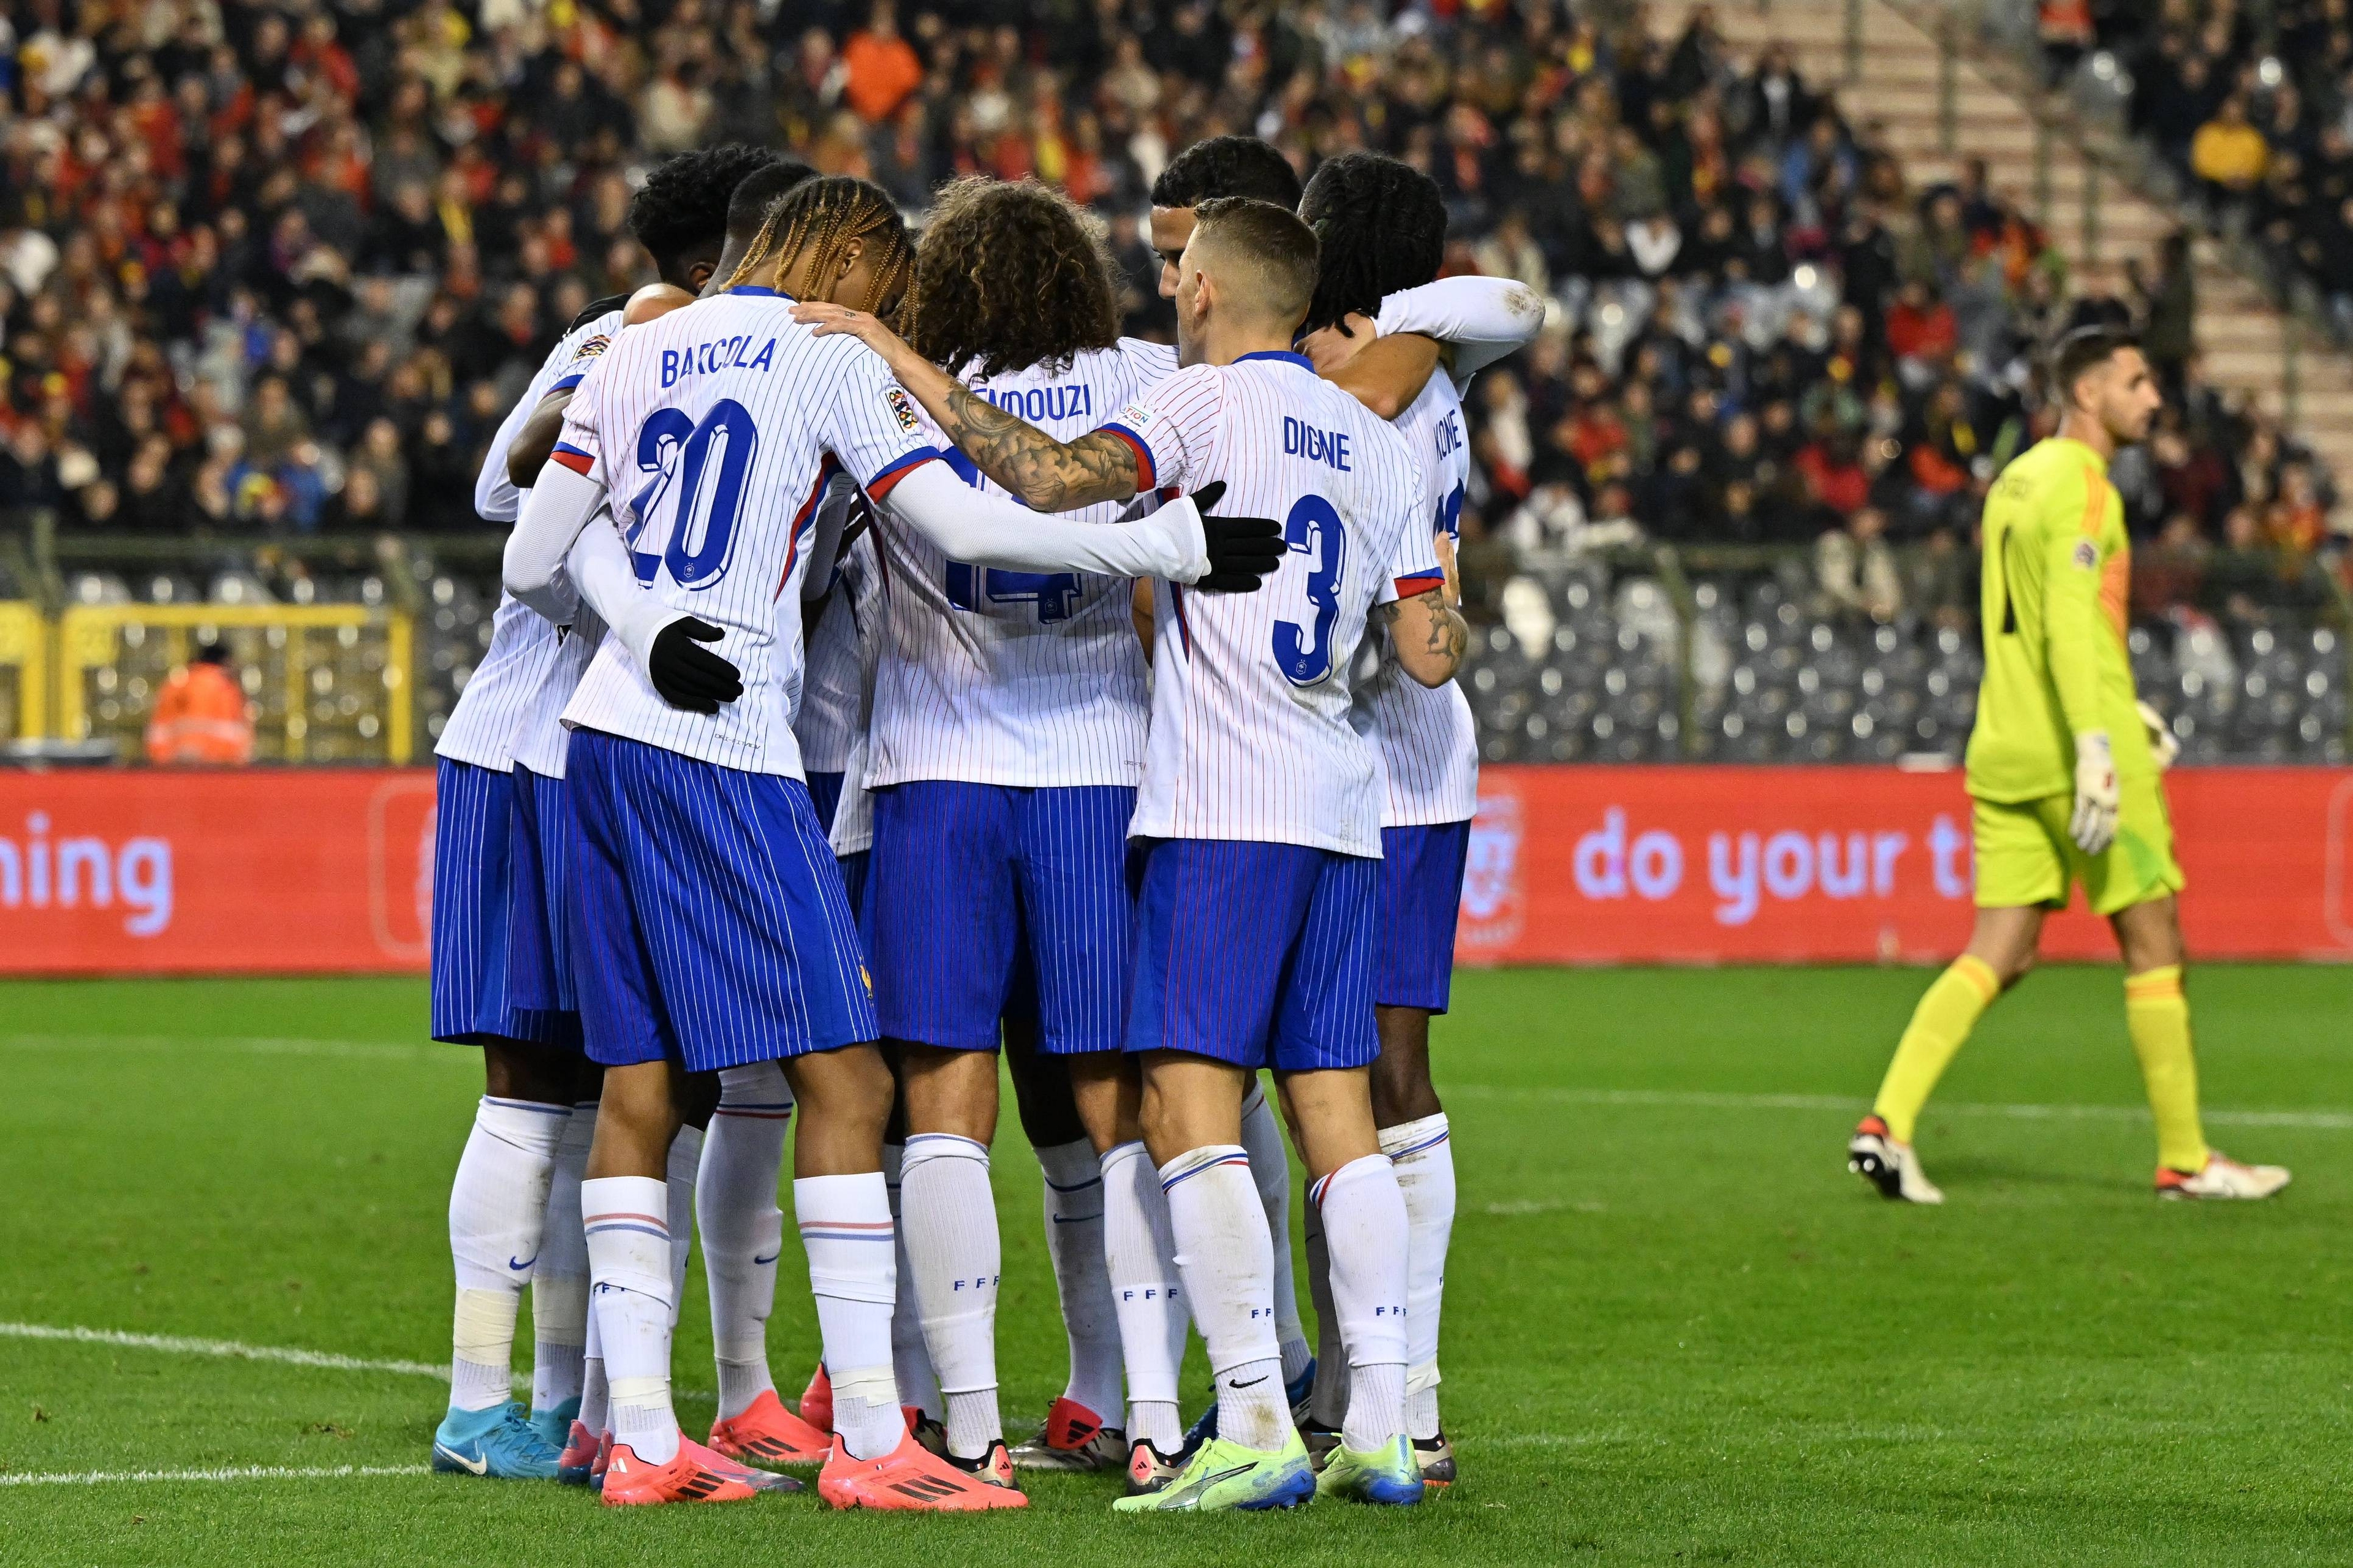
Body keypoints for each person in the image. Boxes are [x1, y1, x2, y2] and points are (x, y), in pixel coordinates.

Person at [501, 173, 1277, 1509]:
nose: (890, 295)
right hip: (737, 750)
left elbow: (530, 559)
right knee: (856, 1085)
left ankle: (638, 1435)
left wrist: (643, 628)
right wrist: (1177, 541)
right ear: (850, 249)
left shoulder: (634, 348)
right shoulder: (828, 352)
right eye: (885, 271)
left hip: (603, 739)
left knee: (643, 1083)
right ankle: (877, 1441)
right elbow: (968, 519)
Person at [812, 195, 1459, 1512]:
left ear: (1211, 290)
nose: (1167, 292)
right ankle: (1381, 1415)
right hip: (1336, 800)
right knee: (1332, 1107)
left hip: (1200, 800)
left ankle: (1245, 1424)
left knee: (1160, 1102)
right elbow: (1431, 644)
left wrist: (895, 353)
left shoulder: (1197, 406)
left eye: (1183, 276)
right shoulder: (1376, 444)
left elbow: (1045, 481)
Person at [427, 141, 784, 1488]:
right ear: (720, 261)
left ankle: (569, 1403)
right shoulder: (636, 338)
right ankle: (480, 1400)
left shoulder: (637, 340)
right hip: (540, 747)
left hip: (593, 745)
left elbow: (489, 484)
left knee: (603, 1095)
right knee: (533, 1091)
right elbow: (507, 493)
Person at [1847, 327, 2290, 1205]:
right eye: (2137, 381)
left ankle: (1887, 1125)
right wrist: (2099, 740)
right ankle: (2187, 1157)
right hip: (2073, 749)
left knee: (1999, 950)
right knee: (2155, 935)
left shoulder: (2015, 480)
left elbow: (2029, 616)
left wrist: (2117, 708)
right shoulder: (2087, 486)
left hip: (2004, 742)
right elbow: (2072, 618)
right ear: (2087, 394)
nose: (2153, 399)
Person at [1290, 150, 1539, 1492]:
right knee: (1321, 1083)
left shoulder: (1417, 363)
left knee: (1386, 1075)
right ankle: (1335, 1389)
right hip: (1329, 756)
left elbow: (1508, 302)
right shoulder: (1414, 368)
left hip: (1402, 761)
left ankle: (1413, 1399)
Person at [143, 640, 254, 765]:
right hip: (219, 767)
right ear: (226, 661)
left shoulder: (173, 685)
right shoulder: (225, 687)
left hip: (170, 767)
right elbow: (239, 730)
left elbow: (156, 730)